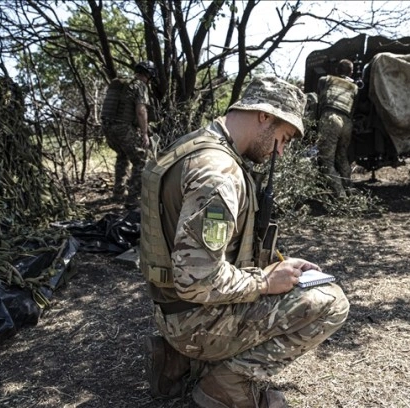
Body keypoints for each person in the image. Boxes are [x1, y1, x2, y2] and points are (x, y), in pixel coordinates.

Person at [139, 76, 350, 407]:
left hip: (174, 312)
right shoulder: (219, 175)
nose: (280, 149)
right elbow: (198, 281)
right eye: (284, 137)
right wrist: (265, 282)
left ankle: (180, 362)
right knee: (332, 302)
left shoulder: (193, 145)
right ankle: (227, 385)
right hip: (195, 319)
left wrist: (277, 267)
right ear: (264, 116)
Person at [100, 60, 156, 208]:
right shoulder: (140, 85)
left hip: (106, 126)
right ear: (149, 75)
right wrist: (144, 133)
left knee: (122, 155)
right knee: (140, 159)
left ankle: (118, 194)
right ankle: (133, 198)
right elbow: (140, 111)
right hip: (122, 127)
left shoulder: (118, 82)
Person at [315, 59, 359, 198]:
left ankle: (340, 194)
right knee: (342, 157)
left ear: (336, 70)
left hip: (330, 118)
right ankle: (350, 190)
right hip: (346, 122)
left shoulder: (325, 79)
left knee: (326, 160)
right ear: (351, 71)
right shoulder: (355, 87)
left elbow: (318, 99)